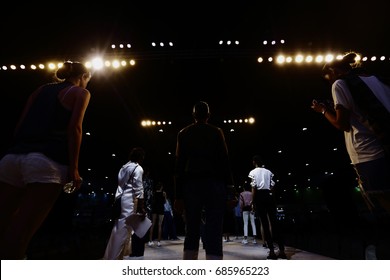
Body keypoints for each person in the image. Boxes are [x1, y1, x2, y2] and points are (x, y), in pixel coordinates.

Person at [0, 61, 92, 259]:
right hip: (45, 161)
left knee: (4, 222)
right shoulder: (80, 93)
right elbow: (74, 129)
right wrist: (74, 168)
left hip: (11, 158)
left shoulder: (40, 89)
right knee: (21, 232)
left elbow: (19, 126)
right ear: (83, 76)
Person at [311, 51, 390, 258]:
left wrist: (322, 111)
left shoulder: (340, 84)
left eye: (327, 76)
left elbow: (342, 124)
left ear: (333, 70)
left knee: (381, 212)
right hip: (386, 147)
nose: (328, 81)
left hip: (367, 154)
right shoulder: (377, 79)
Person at [174, 101, 234, 260]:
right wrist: (230, 190)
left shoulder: (183, 133)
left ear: (193, 115)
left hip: (191, 185)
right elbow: (225, 161)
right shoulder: (217, 132)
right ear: (208, 115)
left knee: (191, 228)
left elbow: (179, 166)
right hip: (215, 184)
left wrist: (178, 195)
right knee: (214, 228)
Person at [103, 147, 146, 260]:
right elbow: (139, 189)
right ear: (141, 157)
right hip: (129, 201)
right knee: (124, 231)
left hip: (119, 199)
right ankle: (115, 258)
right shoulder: (138, 168)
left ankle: (110, 257)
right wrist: (141, 207)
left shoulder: (124, 167)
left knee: (117, 228)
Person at [249, 155, 287, 259]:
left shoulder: (253, 172)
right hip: (269, 196)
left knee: (265, 224)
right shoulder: (268, 171)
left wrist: (252, 201)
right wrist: (272, 198)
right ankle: (282, 250)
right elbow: (272, 186)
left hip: (259, 196)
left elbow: (254, 187)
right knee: (275, 223)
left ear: (254, 162)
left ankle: (271, 252)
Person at [148, 181, 165, 247]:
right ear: (161, 187)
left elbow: (152, 201)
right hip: (160, 208)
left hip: (154, 208)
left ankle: (150, 241)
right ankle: (158, 242)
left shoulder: (154, 193)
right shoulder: (163, 193)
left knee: (152, 224)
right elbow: (164, 201)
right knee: (159, 225)